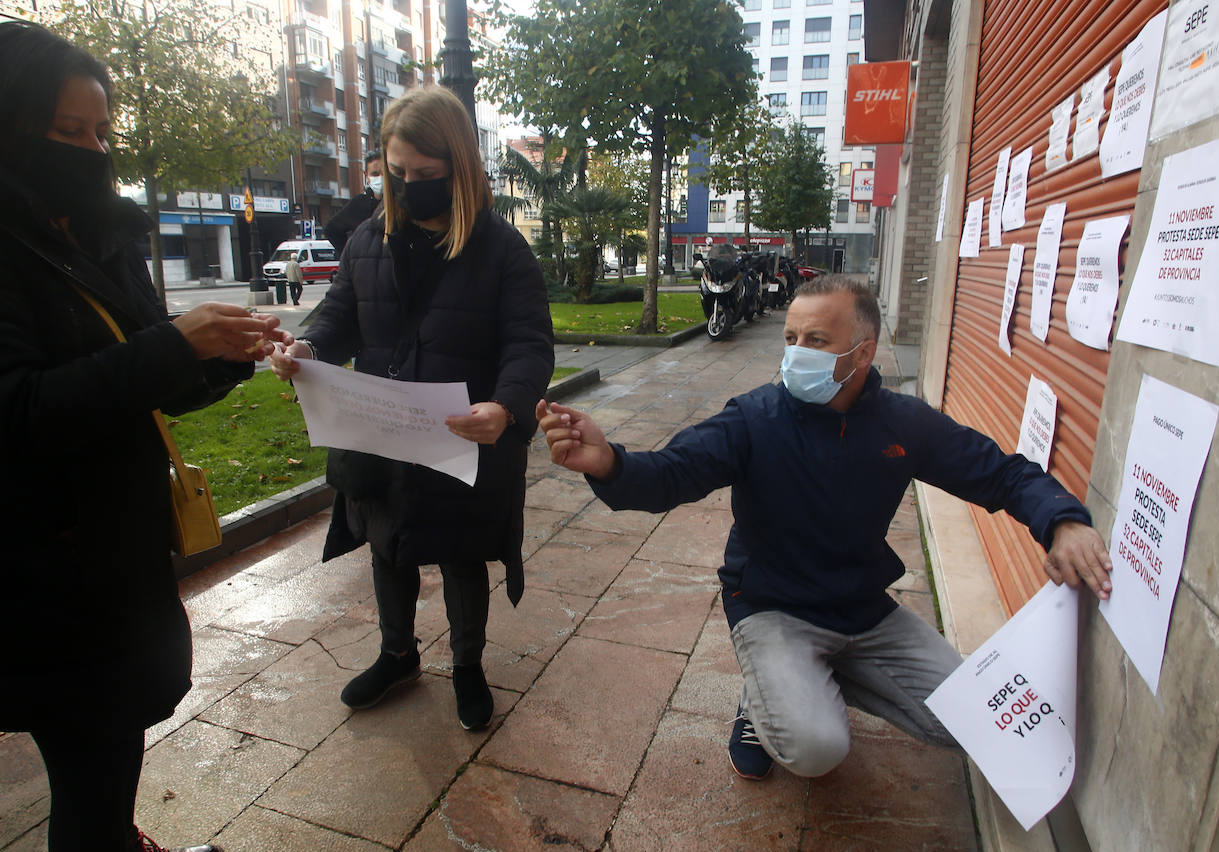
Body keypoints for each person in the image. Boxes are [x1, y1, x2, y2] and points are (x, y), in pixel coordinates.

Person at [538, 276, 1113, 780]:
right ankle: (765, 696)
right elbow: (671, 474)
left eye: (816, 341)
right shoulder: (754, 418)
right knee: (816, 749)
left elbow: (1001, 474)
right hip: (771, 604)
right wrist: (610, 462)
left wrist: (1062, 521)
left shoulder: (904, 424)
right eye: (791, 339)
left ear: (862, 354)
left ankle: (804, 679)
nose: (796, 354)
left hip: (861, 607)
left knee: (973, 726)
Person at [0, 22, 289, 852]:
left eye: (100, 132)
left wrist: (227, 357)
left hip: (118, 543)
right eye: (66, 131)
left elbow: (144, 374)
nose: (91, 152)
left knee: (120, 730)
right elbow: (23, 408)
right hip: (36, 565)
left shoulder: (95, 233)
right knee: (87, 762)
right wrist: (173, 345)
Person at [269, 86, 554, 727]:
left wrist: (506, 410)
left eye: (425, 175)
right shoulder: (370, 237)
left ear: (459, 167)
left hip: (462, 435)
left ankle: (468, 666)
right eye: (396, 173)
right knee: (386, 547)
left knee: (460, 555)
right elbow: (338, 316)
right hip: (380, 433)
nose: (407, 185)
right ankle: (397, 653)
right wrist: (306, 347)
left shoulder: (502, 248)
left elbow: (530, 346)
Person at [323, 148, 384, 253]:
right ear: (366, 176)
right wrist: (351, 256)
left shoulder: (401, 203)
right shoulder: (358, 204)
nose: (380, 178)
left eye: (384, 173)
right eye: (375, 174)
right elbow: (331, 230)